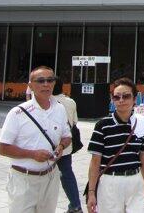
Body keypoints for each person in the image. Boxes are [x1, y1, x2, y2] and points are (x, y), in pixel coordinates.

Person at [0, 66, 72, 212]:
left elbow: (67, 136)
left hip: (50, 177)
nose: (46, 84)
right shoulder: (17, 113)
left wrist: (61, 147)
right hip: (23, 179)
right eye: (41, 80)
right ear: (30, 85)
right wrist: (32, 154)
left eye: (50, 80)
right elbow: (3, 148)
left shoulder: (60, 109)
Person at [87, 78, 144, 213]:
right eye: (117, 97)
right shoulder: (103, 125)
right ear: (112, 100)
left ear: (134, 99)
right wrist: (91, 192)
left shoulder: (141, 124)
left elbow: (143, 158)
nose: (121, 100)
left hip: (135, 181)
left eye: (126, 96)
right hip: (110, 182)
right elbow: (95, 161)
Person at [53, 77, 83, 213]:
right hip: (66, 145)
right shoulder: (70, 102)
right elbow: (75, 122)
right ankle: (76, 205)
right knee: (67, 174)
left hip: (46, 147)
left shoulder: (46, 102)